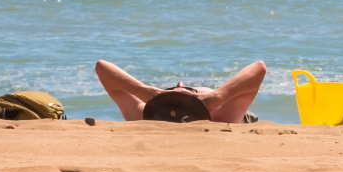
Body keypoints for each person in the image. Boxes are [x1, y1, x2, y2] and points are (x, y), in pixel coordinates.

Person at [94, 59, 266, 123]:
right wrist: (215, 98)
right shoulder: (220, 116)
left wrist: (146, 93)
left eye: (172, 91)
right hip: (239, 112)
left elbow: (102, 68)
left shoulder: (142, 115)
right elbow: (259, 68)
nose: (180, 83)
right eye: (183, 91)